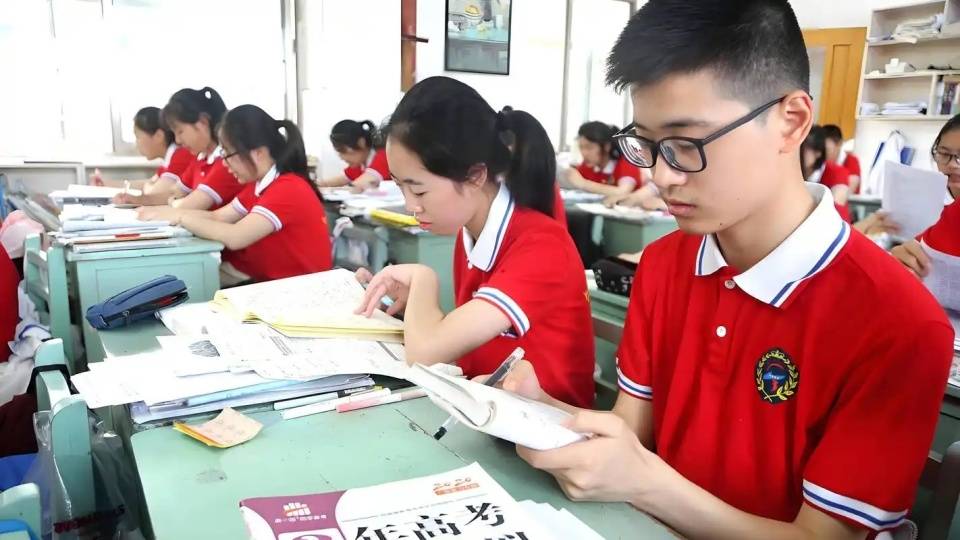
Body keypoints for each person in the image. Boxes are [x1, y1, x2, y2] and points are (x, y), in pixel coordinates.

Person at [496, 2, 953, 538]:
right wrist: (543, 414)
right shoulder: (664, 264)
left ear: (791, 122)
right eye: (647, 144)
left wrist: (647, 484)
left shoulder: (899, 324)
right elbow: (630, 435)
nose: (662, 175)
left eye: (686, 144)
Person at [355, 76, 595, 408]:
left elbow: (424, 353)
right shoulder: (471, 232)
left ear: (476, 176)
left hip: (547, 428)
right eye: (400, 187)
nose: (410, 206)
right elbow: (465, 345)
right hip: (487, 408)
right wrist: (411, 309)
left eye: (419, 190)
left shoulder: (541, 246)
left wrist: (423, 280)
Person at [136, 105, 331, 286]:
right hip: (271, 283)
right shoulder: (259, 186)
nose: (225, 164)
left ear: (258, 153)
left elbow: (236, 236)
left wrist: (181, 217)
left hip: (300, 291)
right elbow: (217, 216)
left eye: (228, 154)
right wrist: (164, 214)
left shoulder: (288, 188)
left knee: (188, 284)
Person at [890, 114, 960, 274]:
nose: (952, 164)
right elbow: (912, 254)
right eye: (944, 154)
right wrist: (902, 261)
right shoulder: (944, 214)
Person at [97, 107, 194, 197]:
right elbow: (148, 184)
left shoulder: (181, 154)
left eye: (138, 137)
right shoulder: (170, 157)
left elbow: (154, 193)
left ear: (158, 136)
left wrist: (149, 186)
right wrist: (105, 183)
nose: (136, 144)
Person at [317, 120, 391, 191]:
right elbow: (338, 180)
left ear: (361, 142)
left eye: (343, 151)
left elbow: (357, 186)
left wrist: (329, 190)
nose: (341, 157)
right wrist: (316, 185)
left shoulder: (383, 157)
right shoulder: (360, 164)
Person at [803, 126, 851, 222]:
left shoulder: (837, 173)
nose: (798, 155)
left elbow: (835, 210)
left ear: (818, 152)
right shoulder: (795, 173)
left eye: (803, 150)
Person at [822, 124, 862, 193]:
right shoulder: (821, 160)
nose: (822, 154)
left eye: (827, 150)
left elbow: (849, 191)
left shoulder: (851, 161)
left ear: (839, 144)